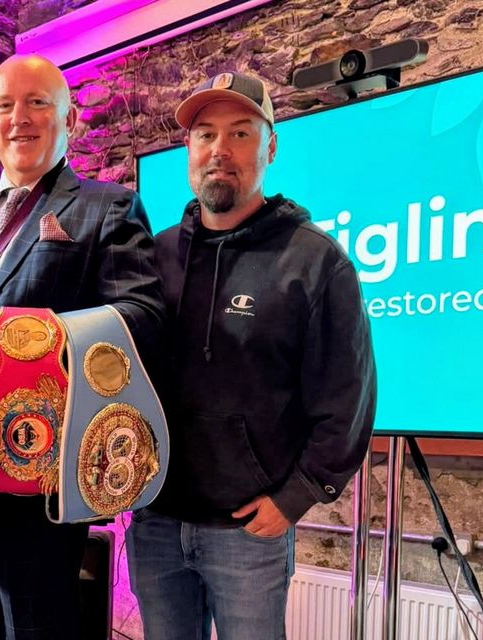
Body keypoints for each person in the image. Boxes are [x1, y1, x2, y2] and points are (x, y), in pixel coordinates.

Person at [0, 54, 163, 640]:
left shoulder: (106, 206)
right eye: (5, 106)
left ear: (70, 118)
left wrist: (3, 333)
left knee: (39, 627)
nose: (19, 118)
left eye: (37, 103)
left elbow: (140, 317)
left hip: (38, 473)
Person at [127, 72, 377, 640]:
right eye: (205, 134)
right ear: (189, 149)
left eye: (240, 133)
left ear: (270, 147)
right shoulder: (155, 257)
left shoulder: (316, 261)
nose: (220, 149)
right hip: (156, 523)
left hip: (248, 531)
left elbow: (348, 401)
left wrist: (296, 497)